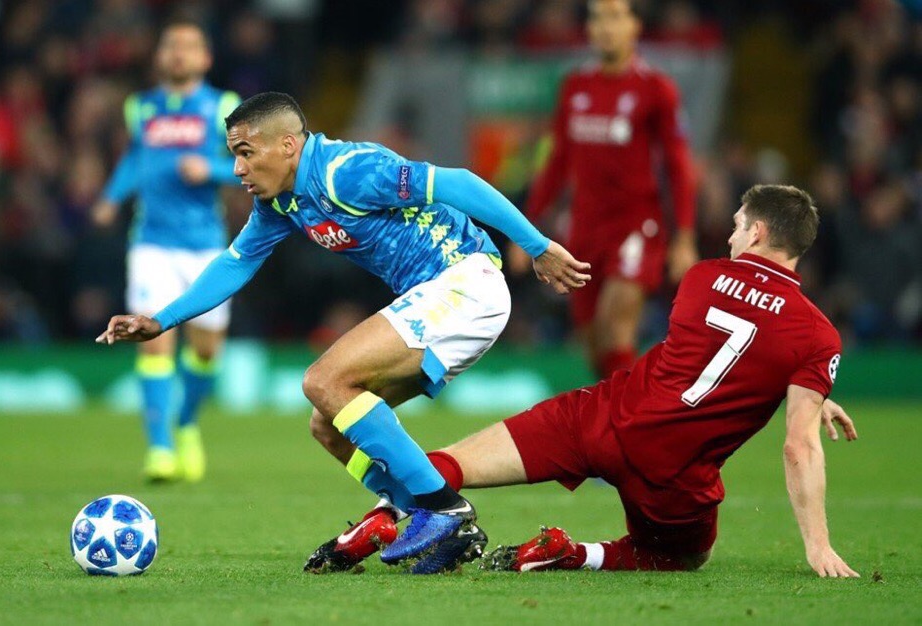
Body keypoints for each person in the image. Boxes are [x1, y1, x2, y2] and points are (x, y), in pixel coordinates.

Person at [96, 92, 591, 573]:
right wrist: (160, 320)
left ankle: (443, 510)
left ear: (287, 145)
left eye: (245, 153)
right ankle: (410, 513)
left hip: (464, 282)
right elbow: (237, 262)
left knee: (323, 380)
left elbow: (457, 182)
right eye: (234, 156)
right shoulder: (282, 202)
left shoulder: (344, 171)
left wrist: (537, 245)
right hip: (442, 297)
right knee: (328, 423)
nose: (238, 169)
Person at [314, 184, 861, 579]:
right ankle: (569, 552)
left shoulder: (702, 277)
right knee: (680, 557)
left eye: (739, 226)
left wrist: (802, 384)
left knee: (448, 467)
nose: (731, 235)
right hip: (672, 470)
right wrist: (818, 542)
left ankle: (382, 516)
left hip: (598, 417)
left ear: (758, 232)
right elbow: (797, 443)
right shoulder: (816, 336)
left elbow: (714, 346)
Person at [510, 0, 698, 379]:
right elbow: (557, 163)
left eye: (615, 17)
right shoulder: (575, 86)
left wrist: (684, 237)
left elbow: (678, 166)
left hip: (636, 226)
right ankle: (619, 408)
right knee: (593, 341)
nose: (606, 27)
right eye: (598, 18)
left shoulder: (655, 88)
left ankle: (633, 413)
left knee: (616, 326)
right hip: (584, 229)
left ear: (635, 26)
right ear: (589, 29)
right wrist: (526, 230)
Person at [91, 19, 241, 483]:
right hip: (151, 242)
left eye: (188, 46)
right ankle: (159, 448)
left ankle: (186, 422)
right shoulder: (140, 107)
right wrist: (112, 196)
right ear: (159, 56)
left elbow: (248, 164)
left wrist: (212, 169)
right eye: (171, 45)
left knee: (206, 350)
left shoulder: (224, 106)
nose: (178, 53)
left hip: (205, 244)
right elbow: (136, 156)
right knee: (152, 341)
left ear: (205, 58)